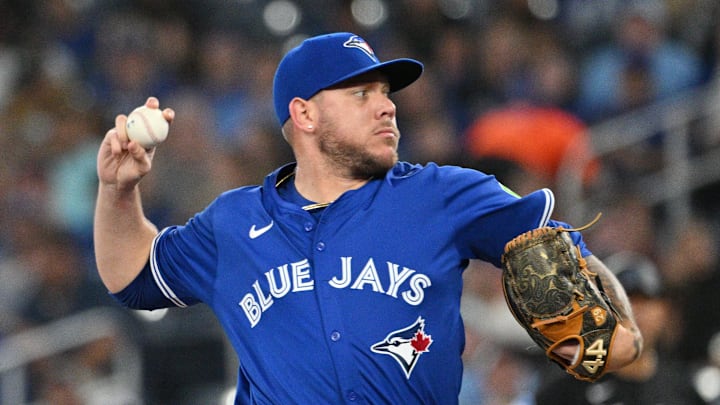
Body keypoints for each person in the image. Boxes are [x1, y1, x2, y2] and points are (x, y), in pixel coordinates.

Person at [94, 32, 642, 404]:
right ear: (304, 114)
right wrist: (119, 191)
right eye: (361, 93)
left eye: (386, 93)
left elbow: (563, 252)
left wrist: (622, 328)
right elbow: (133, 277)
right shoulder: (234, 223)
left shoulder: (443, 195)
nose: (387, 105)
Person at [534, 251, 705, 405]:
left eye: (646, 301)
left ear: (664, 311)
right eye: (624, 301)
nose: (636, 312)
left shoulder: (684, 386)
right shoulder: (566, 389)